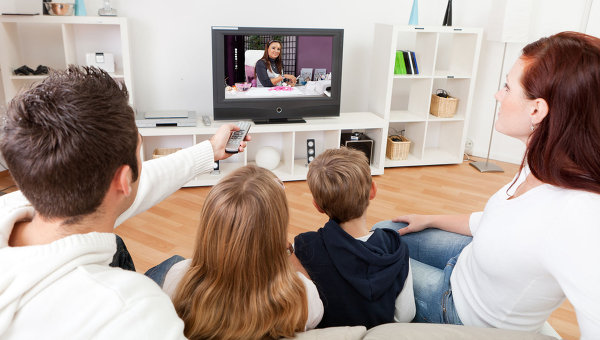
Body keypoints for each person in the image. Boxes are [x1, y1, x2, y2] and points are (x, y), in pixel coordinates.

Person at [373, 31, 600, 338]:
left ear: (537, 110)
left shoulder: (579, 213)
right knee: (385, 231)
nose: (497, 95)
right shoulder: (544, 160)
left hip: (458, 313)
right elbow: (495, 222)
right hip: (469, 261)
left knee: (370, 261)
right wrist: (430, 219)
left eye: (507, 87)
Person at [0, 66, 249, 339]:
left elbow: (141, 183)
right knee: (180, 266)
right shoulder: (136, 313)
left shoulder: (23, 202)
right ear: (122, 180)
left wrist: (210, 150)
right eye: (139, 150)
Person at [147, 165, 323, 340]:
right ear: (276, 229)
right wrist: (287, 249)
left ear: (210, 227)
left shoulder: (176, 278)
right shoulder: (303, 296)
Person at [293, 147, 415, 329]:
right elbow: (405, 315)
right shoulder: (395, 247)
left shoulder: (304, 246)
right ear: (373, 190)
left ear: (317, 206)